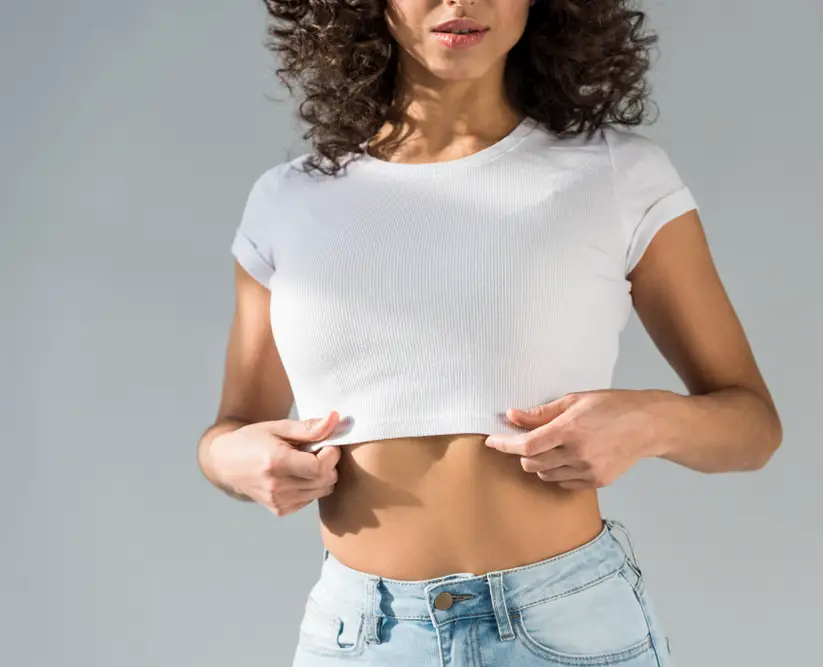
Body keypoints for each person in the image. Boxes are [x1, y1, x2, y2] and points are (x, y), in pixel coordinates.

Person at [197, 0, 783, 665]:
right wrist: (233, 460)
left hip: (568, 633)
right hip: (361, 640)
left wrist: (651, 420)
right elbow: (230, 429)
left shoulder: (618, 175)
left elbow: (753, 424)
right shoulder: (288, 201)